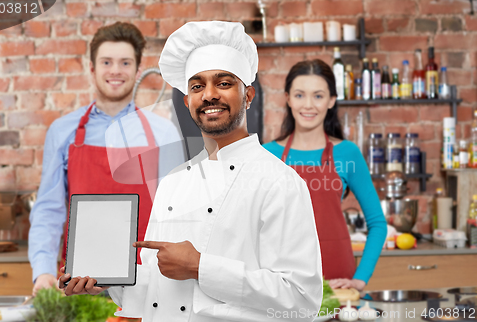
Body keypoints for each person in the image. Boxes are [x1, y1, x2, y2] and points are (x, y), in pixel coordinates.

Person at [59, 21, 323, 321]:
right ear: (187, 102)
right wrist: (108, 281)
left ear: (248, 96)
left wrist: (200, 267)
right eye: (197, 86)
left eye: (223, 83)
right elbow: (154, 292)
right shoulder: (174, 182)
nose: (209, 95)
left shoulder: (279, 183)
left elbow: (302, 301)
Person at [29, 22, 185, 296]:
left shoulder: (164, 133)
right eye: (107, 62)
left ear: (137, 71)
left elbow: (176, 214)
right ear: (92, 68)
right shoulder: (63, 131)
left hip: (147, 284)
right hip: (80, 283)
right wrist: (42, 271)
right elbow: (49, 209)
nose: (115, 70)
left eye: (125, 62)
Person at [263, 59, 387, 291]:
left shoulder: (347, 153)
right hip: (281, 281)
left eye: (318, 96)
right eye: (300, 95)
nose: (308, 105)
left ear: (331, 101)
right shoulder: (266, 155)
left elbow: (377, 223)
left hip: (338, 278)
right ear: (288, 98)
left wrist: (359, 280)